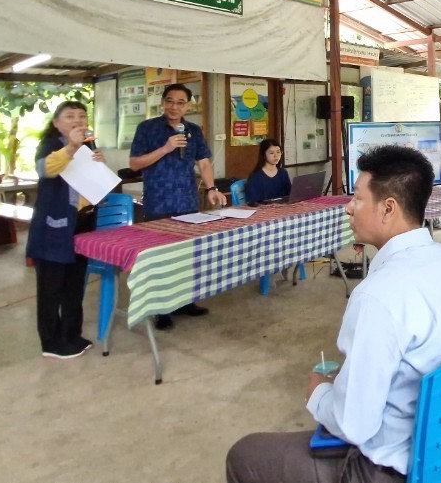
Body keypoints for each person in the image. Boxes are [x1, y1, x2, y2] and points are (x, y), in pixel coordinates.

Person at [225, 146, 441, 483]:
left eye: (358, 199)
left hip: (390, 469)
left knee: (244, 455)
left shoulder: (378, 297)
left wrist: (318, 392)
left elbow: (354, 425)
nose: (348, 207)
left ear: (388, 208)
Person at [129, 83, 227, 325]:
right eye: (170, 101)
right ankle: (160, 310)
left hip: (187, 201)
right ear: (163, 103)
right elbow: (134, 164)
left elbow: (203, 162)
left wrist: (211, 188)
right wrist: (166, 148)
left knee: (185, 255)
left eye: (180, 102)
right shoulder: (147, 128)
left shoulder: (193, 130)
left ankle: (184, 302)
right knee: (160, 257)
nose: (174, 107)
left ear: (188, 106)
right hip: (158, 201)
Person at [27, 101, 106, 360]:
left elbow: (94, 186)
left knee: (74, 285)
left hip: (81, 223)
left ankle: (72, 335)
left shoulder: (88, 146)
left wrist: (100, 165)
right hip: (54, 227)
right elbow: (44, 169)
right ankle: (51, 343)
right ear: (56, 123)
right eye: (70, 116)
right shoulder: (51, 145)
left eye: (82, 116)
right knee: (51, 288)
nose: (78, 120)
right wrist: (71, 147)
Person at [245, 139, 291, 204]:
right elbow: (253, 202)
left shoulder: (283, 173)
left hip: (282, 207)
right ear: (263, 154)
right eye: (272, 153)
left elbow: (290, 195)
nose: (276, 156)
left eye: (278, 152)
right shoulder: (256, 176)